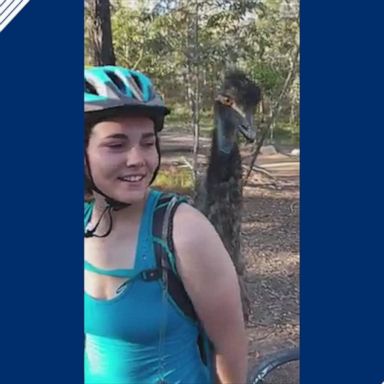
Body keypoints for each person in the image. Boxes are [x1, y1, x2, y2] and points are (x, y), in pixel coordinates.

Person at [84, 65, 248, 384]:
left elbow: (229, 346)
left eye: (147, 142)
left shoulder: (183, 231)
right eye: (116, 145)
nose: (138, 159)